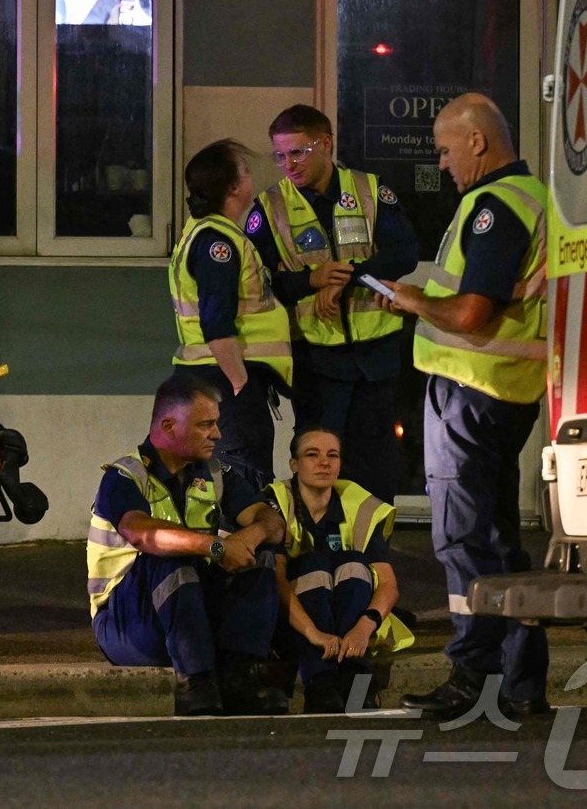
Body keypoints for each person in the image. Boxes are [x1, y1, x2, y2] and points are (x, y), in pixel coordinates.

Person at [376, 93, 549, 721]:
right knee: (501, 544)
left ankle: (473, 674)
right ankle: (523, 684)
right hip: (507, 390)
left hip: (470, 390)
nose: (443, 163)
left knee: (462, 542)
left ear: (477, 141)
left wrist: (416, 301)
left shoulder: (493, 207)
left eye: (447, 150)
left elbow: (474, 311)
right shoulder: (535, 197)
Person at [87, 373, 290, 716]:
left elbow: (271, 521)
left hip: (188, 613)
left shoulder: (213, 471)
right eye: (205, 425)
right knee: (170, 557)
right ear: (168, 426)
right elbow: (143, 534)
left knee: (261, 557)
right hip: (128, 624)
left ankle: (239, 678)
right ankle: (194, 682)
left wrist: (246, 538)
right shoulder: (124, 477)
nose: (218, 434)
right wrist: (214, 546)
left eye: (216, 423)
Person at [245, 105, 418, 504]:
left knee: (375, 464)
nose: (289, 164)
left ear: (325, 144)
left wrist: (345, 277)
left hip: (375, 358)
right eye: (281, 155)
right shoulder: (269, 208)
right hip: (316, 362)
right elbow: (262, 285)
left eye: (298, 152)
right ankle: (317, 553)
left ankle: (373, 553)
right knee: (317, 463)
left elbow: (405, 252)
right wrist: (311, 280)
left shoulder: (370, 190)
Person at [169, 139, 293, 492]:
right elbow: (216, 324)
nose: (252, 179)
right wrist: (240, 384)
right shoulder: (217, 243)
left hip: (212, 379)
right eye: (246, 171)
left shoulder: (204, 233)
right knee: (241, 488)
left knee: (228, 485)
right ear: (235, 187)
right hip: (225, 382)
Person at [270, 427, 413, 714]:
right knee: (314, 564)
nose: (325, 462)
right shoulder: (276, 505)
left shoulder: (357, 505)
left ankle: (355, 678)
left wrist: (364, 627)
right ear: (294, 465)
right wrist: (313, 633)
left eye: (332, 455)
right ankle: (320, 682)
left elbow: (388, 584)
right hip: (296, 625)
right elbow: (277, 583)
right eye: (313, 455)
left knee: (351, 563)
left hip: (352, 626)